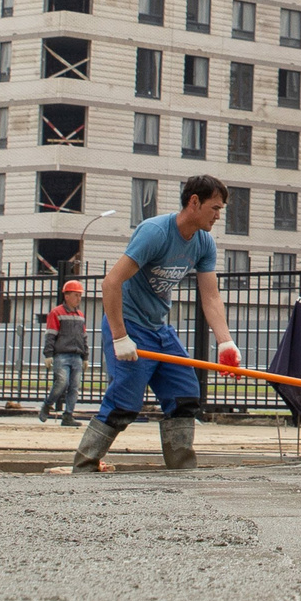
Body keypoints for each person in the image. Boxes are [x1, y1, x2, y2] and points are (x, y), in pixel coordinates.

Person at [73, 177, 241, 472]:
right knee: (124, 403)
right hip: (130, 326)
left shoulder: (204, 243)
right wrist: (120, 336)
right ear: (194, 202)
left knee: (185, 395)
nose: (218, 215)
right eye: (214, 208)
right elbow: (111, 283)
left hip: (159, 329)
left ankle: (182, 471)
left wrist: (225, 342)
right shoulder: (155, 232)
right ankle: (84, 466)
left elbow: (211, 297)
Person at [40, 279, 91, 425]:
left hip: (77, 356)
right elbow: (50, 334)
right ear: (67, 296)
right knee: (62, 382)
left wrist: (85, 356)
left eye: (80, 296)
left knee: (74, 387)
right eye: (76, 295)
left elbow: (84, 337)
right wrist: (48, 355)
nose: (78, 299)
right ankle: (47, 405)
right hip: (61, 355)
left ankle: (68, 415)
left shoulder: (80, 315)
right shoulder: (56, 313)